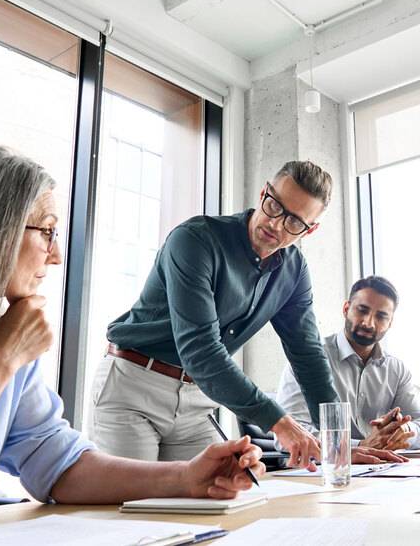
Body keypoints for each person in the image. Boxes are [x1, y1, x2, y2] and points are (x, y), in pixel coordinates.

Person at [0, 143, 265, 529]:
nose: (55, 257)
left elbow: (54, 459)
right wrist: (0, 361)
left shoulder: (1, 329)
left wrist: (185, 478)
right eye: (48, 232)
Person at [92, 160, 401, 469]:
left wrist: (340, 443)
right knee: (132, 507)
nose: (276, 225)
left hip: (195, 403)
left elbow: (308, 357)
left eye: (295, 222)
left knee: (222, 500)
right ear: (264, 192)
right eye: (274, 206)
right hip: (134, 387)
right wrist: (279, 422)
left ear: (311, 229)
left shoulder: (293, 271)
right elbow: (201, 351)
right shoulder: (195, 240)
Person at [276, 276, 420, 452]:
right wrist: (357, 447)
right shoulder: (307, 359)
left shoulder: (396, 369)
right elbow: (288, 434)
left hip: (380, 471)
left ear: (390, 323)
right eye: (362, 311)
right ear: (346, 309)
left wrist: (403, 431)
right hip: (325, 471)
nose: (368, 323)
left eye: (381, 316)